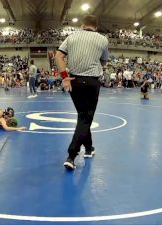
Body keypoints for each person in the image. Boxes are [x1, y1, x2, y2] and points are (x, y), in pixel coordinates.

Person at [55, 15, 109, 170]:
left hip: (74, 81)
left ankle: (89, 148)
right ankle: (72, 155)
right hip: (92, 82)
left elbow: (58, 56)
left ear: (82, 25)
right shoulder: (103, 39)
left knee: (83, 117)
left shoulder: (72, 37)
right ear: (95, 27)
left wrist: (64, 77)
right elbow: (104, 61)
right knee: (85, 118)